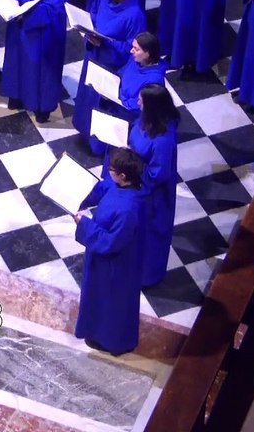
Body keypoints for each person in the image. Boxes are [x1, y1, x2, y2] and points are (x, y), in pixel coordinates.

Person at [74, 148, 147, 356]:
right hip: (101, 262)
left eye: (112, 170)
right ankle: (94, 332)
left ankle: (113, 342)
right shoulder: (118, 186)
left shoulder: (128, 209)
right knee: (97, 298)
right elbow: (101, 188)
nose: (109, 172)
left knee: (112, 304)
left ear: (123, 175)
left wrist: (84, 224)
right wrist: (76, 195)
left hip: (116, 266)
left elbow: (111, 242)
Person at [72, 0, 146, 138]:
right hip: (94, 54)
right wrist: (91, 32)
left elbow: (132, 48)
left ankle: (97, 142)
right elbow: (94, 11)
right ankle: (83, 130)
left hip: (111, 66)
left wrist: (106, 42)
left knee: (100, 106)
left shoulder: (135, 15)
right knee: (87, 97)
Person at [116, 84, 179, 288]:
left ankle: (145, 277)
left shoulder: (163, 140)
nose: (137, 103)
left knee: (148, 237)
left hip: (152, 197)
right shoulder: (146, 120)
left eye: (142, 101)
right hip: (137, 184)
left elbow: (157, 173)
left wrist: (131, 163)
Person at [1, 0, 68, 123]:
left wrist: (28, 14)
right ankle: (17, 95)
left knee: (39, 69)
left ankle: (41, 106)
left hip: (41, 30)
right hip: (19, 22)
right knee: (17, 62)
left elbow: (55, 8)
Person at [89, 32, 169, 155]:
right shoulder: (136, 60)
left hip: (129, 115)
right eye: (133, 47)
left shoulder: (154, 79)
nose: (131, 51)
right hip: (116, 101)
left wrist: (117, 96)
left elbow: (138, 105)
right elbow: (122, 73)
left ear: (148, 53)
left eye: (136, 49)